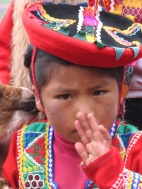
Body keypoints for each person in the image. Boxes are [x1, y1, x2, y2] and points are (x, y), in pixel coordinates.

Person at [2, 0, 142, 188]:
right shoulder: (23, 146)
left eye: (98, 92)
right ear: (38, 98)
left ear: (121, 93)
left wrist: (111, 173)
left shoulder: (136, 150)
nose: (84, 112)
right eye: (65, 96)